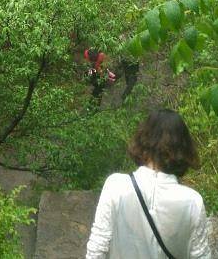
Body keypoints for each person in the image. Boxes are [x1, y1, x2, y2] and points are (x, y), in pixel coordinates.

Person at [86, 109, 211, 259]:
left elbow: (96, 250)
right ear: (183, 149)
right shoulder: (193, 202)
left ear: (144, 140)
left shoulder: (116, 186)